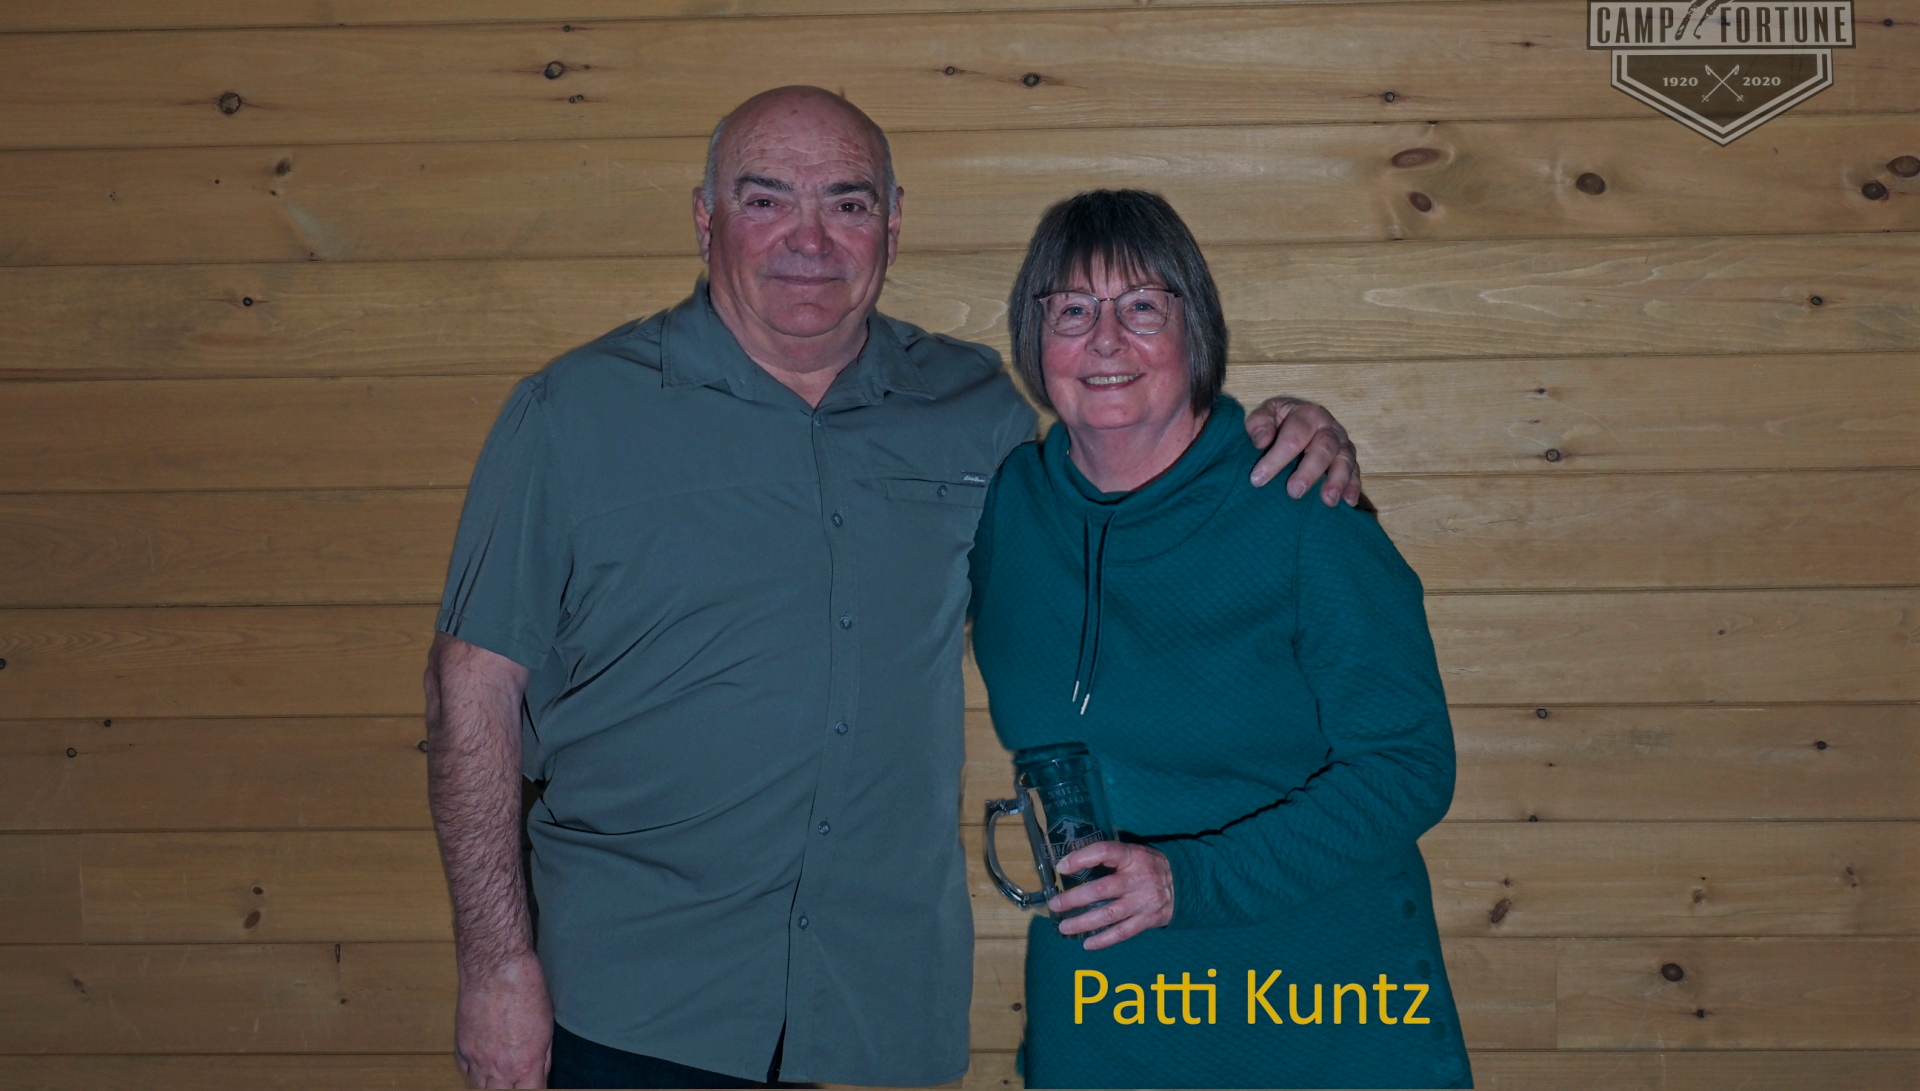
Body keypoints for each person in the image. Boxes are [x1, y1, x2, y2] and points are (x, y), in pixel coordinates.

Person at [424, 88, 1365, 1089]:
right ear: (705, 219)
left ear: (893, 223)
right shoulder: (572, 412)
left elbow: (1129, 517)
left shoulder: (977, 407)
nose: (810, 239)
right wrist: (495, 964)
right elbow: (469, 690)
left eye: (848, 202)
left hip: (877, 1005)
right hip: (636, 1000)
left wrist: (1266, 436)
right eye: (765, 200)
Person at [969, 190, 1471, 1089]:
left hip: (1318, 1012)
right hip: (1107, 1010)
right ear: (1034, 339)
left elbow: (1409, 766)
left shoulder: (1301, 505)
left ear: (1194, 329)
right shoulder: (1010, 507)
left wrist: (1186, 881)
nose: (1106, 340)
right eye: (1073, 310)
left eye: (1142, 307)